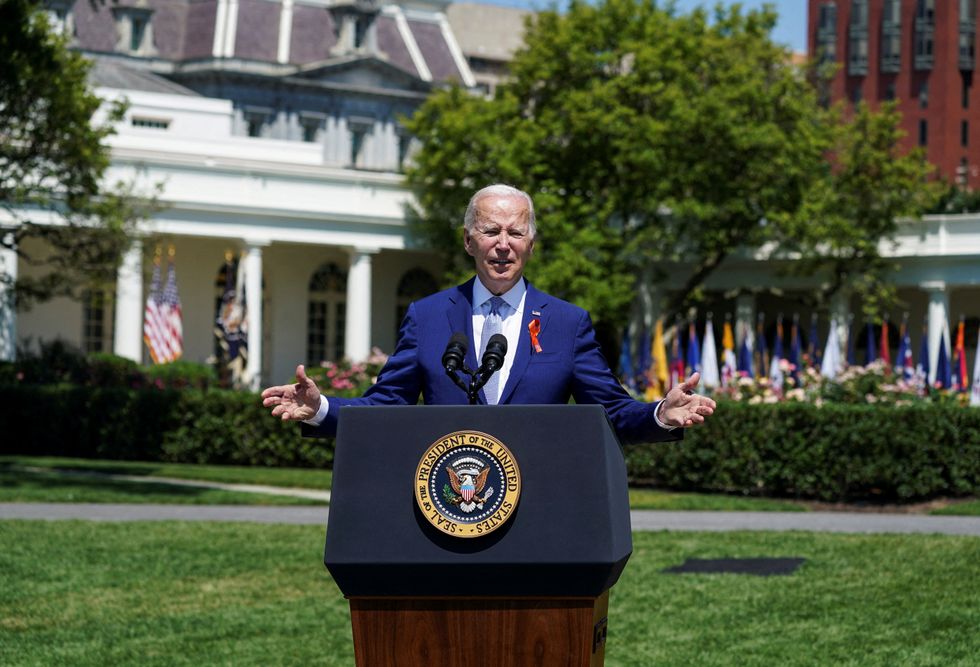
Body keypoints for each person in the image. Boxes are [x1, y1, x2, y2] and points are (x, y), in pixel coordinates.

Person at [261, 184, 715, 444]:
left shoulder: (566, 323)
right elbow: (386, 407)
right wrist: (321, 408)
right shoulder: (428, 316)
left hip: (540, 502)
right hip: (447, 502)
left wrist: (659, 413)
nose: (503, 243)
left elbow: (612, 412)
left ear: (530, 244)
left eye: (516, 232)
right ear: (468, 240)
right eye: (490, 230)